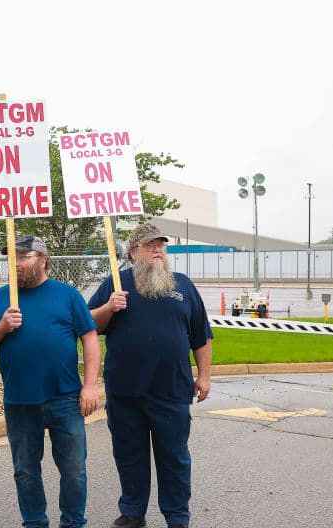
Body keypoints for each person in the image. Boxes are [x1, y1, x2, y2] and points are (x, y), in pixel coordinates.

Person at [87, 223, 213, 528]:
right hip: (126, 391)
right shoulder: (116, 284)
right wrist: (109, 307)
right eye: (149, 245)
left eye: (161, 245)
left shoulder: (182, 286)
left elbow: (202, 336)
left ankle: (177, 516)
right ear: (133, 253)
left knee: (174, 456)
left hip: (171, 389)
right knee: (130, 455)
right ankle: (132, 511)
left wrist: (205, 376)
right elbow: (89, 325)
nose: (157, 250)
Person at [0, 236, 101, 528]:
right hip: (20, 400)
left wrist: (90, 385)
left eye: (23, 256)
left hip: (65, 398)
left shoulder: (67, 295)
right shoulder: (1, 297)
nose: (16, 263)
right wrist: (2, 326)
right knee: (25, 471)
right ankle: (35, 522)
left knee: (74, 470)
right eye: (12, 257)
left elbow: (89, 338)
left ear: (43, 260)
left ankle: (73, 523)